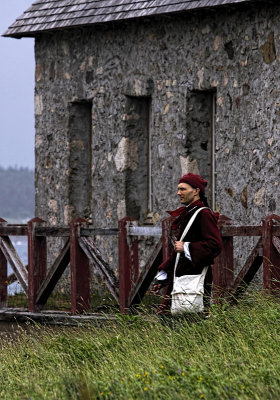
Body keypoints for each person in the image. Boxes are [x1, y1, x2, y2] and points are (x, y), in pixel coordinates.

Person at [152, 173, 223, 315]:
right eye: (178, 189)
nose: (179, 193)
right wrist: (163, 274)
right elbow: (178, 250)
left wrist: (186, 247)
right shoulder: (190, 212)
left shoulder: (203, 214)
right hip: (181, 277)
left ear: (196, 191)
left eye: (183, 189)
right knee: (170, 318)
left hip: (194, 278)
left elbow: (215, 245)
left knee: (191, 321)